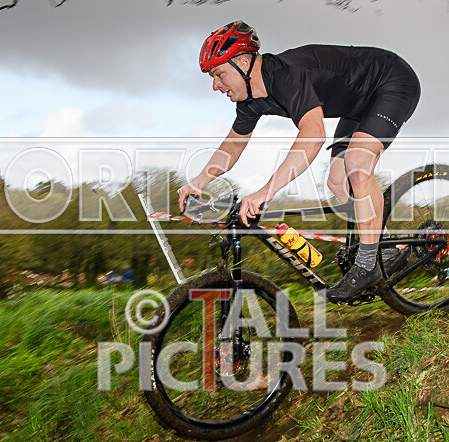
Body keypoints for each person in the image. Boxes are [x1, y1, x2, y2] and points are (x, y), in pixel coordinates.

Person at [178, 21, 421, 302]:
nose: (215, 86)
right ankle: (387, 247)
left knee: (356, 162)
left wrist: (265, 192)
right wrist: (198, 183)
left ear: (243, 62)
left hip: (390, 80)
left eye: (219, 74)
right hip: (357, 105)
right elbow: (233, 145)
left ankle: (367, 266)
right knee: (337, 182)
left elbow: (314, 134)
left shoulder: (285, 75)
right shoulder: (249, 101)